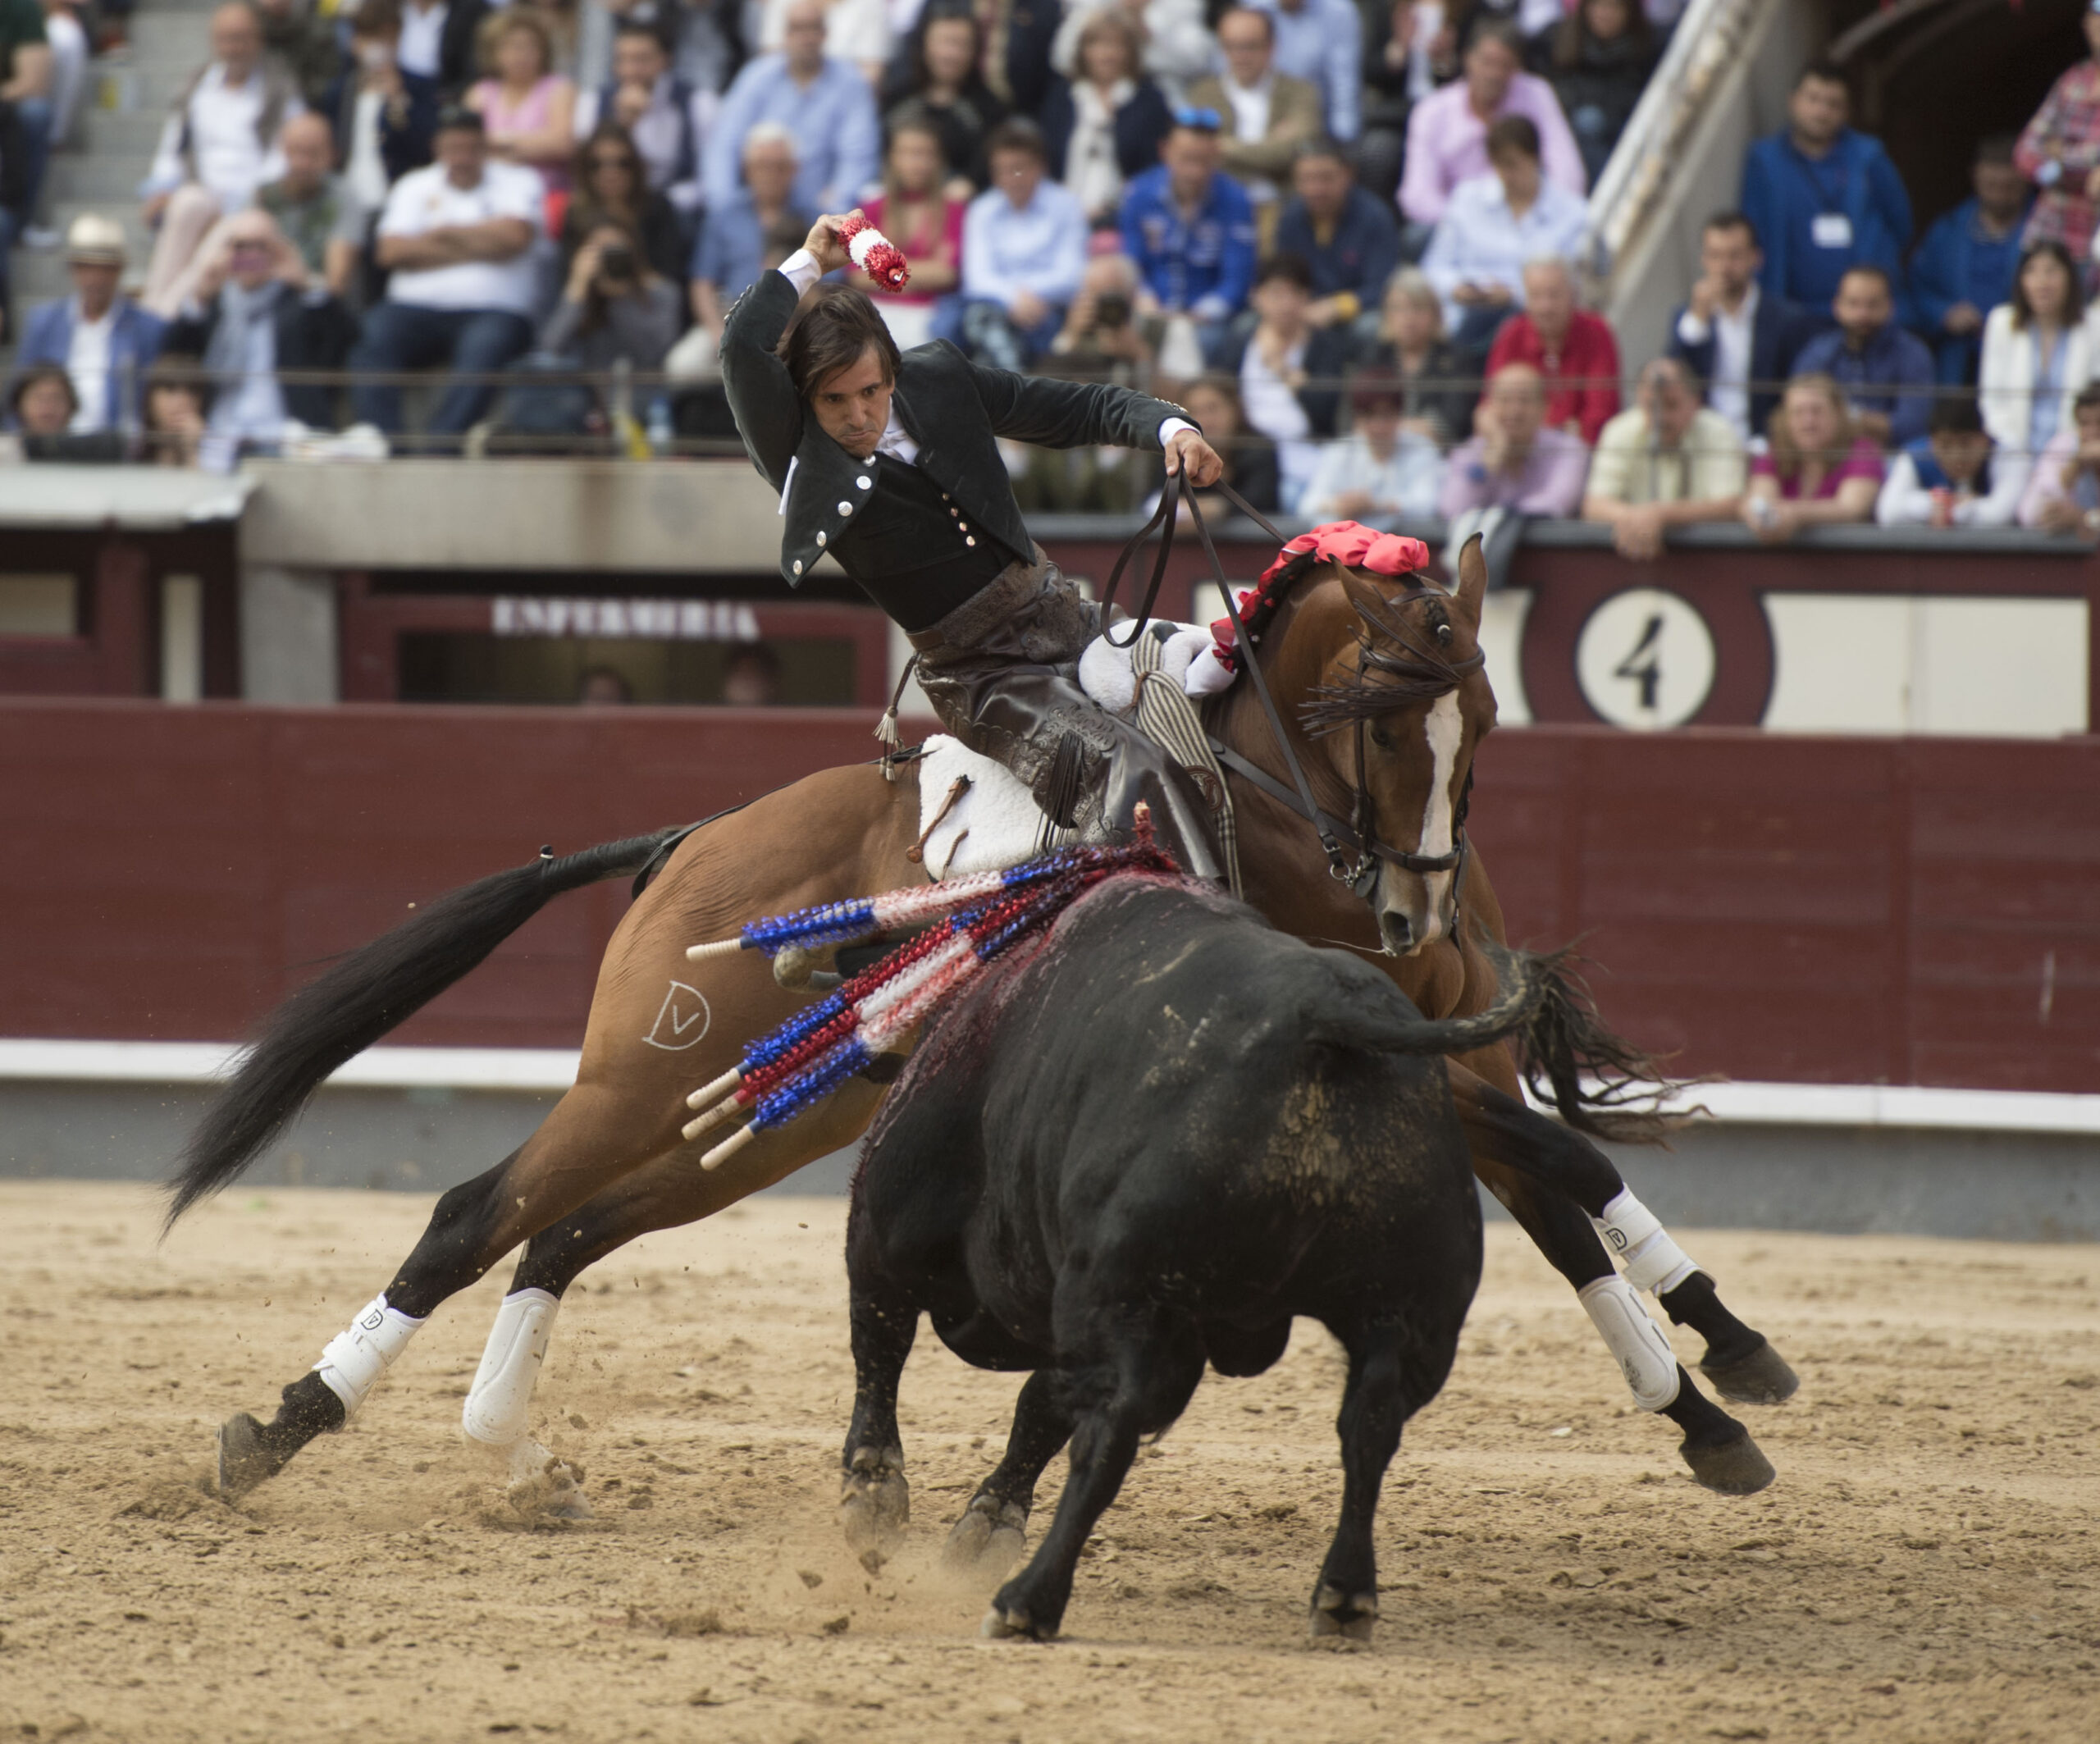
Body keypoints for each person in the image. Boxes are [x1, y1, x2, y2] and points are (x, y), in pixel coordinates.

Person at [718, 212, 1230, 880]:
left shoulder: (939, 378)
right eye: (833, 399)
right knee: (1124, 767)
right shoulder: (796, 452)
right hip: (983, 677)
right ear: (806, 401)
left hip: (1070, 619)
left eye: (870, 392)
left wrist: (1169, 429)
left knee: (1227, 677)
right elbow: (739, 351)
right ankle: (1202, 920)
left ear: (893, 375)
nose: (857, 416)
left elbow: (1071, 408)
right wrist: (810, 261)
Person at [348, 106, 541, 444]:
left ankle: (441, 447)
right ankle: (384, 444)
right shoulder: (414, 184)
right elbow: (391, 252)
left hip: (494, 311)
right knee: (374, 336)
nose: (462, 159)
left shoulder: (519, 180)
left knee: (485, 346)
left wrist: (441, 234)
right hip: (413, 309)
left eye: (471, 149)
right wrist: (483, 241)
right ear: (438, 147)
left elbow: (515, 239)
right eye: (454, 149)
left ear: (485, 147)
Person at [139, 2, 304, 317]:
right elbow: (174, 147)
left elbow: (284, 157)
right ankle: (155, 299)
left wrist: (238, 205)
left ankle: (162, 313)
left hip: (254, 203)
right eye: (226, 38)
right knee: (185, 202)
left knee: (230, 229)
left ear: (259, 40)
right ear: (214, 41)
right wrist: (159, 191)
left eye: (242, 38)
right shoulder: (197, 86)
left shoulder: (280, 88)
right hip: (202, 193)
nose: (234, 47)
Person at [164, 208, 358, 458]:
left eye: (260, 247)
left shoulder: (299, 304)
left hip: (284, 435)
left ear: (278, 251)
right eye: (241, 247)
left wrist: (306, 285)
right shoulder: (215, 306)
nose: (250, 255)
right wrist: (200, 296)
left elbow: (345, 339)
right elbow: (172, 354)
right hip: (220, 433)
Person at [1739, 60, 1911, 310]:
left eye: (1833, 104)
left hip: (1861, 313)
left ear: (1846, 112)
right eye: (1813, 99)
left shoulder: (1868, 157)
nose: (1821, 112)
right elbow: (1751, 233)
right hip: (1790, 312)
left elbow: (1901, 224)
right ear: (1793, 101)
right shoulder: (1765, 161)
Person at [1418, 113, 1586, 352]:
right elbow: (1434, 268)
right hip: (1467, 315)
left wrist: (1515, 294)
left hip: (1534, 322)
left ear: (1535, 158)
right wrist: (1459, 288)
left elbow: (1574, 285)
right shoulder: (1466, 199)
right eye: (1498, 164)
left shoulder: (1572, 212)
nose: (1505, 175)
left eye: (1513, 164)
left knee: (1509, 324)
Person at [1399, 22, 1583, 235]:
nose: (1494, 74)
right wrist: (1472, 223)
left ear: (1517, 67)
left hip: (1526, 218)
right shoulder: (1431, 111)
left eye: (1504, 65)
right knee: (1418, 235)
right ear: (1467, 58)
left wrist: (1540, 214)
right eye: (1487, 62)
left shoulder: (1537, 94)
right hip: (1458, 224)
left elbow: (1567, 169)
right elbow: (1416, 194)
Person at [706, 0, 879, 217]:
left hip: (821, 214)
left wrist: (834, 209)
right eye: (798, 29)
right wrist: (726, 206)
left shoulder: (851, 83)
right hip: (758, 211)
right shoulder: (757, 77)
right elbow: (724, 145)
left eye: (813, 28)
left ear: (825, 34)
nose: (806, 38)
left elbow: (858, 157)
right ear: (785, 35)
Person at [1213, 252, 1350, 504]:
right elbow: (1220, 397)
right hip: (1248, 458)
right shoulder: (1238, 343)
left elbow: (1326, 412)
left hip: (1306, 460)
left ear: (1307, 298)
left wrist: (1285, 372)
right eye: (1276, 294)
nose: (1286, 304)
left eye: (1295, 294)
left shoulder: (1326, 346)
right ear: (1257, 297)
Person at [1665, 210, 1815, 442]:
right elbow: (1673, 384)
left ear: (1756, 258)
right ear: (1703, 260)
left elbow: (1798, 386)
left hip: (1765, 444)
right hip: (1702, 444)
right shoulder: (1687, 318)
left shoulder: (1787, 319)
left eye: (1734, 256)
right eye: (1715, 256)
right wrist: (1696, 324)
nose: (1724, 267)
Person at [954, 118, 1089, 371]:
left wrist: (1026, 296)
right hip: (995, 304)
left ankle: (1005, 384)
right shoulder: (982, 209)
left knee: (984, 326)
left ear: (1040, 167)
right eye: (1001, 170)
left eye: (1019, 168)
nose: (1011, 178)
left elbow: (1072, 275)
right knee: (967, 319)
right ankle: (1015, 381)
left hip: (1048, 307)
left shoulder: (1066, 205)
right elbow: (976, 277)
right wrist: (1013, 298)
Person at [1119, 112, 1258, 355]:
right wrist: (1146, 301)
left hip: (1208, 318)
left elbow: (1237, 278)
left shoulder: (1236, 200)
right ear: (1165, 151)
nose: (1194, 172)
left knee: (1213, 340)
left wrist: (1199, 315)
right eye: (1186, 160)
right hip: (1150, 309)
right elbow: (1131, 260)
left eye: (1203, 161)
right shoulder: (1137, 194)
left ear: (1216, 155)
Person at [1581, 357, 1746, 559]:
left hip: (1710, 563)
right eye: (1651, 406)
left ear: (1695, 403)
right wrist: (1642, 519)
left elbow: (1731, 506)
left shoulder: (1719, 432)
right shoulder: (1619, 430)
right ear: (1639, 400)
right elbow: (1595, 505)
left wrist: (1661, 515)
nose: (1661, 418)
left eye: (1671, 405)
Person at [15, 213, 167, 432]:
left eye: (106, 269)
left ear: (119, 271)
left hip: (117, 449)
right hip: (50, 445)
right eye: (85, 267)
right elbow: (21, 391)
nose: (95, 278)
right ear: (73, 270)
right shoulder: (44, 321)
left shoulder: (148, 328)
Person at [1905, 137, 2031, 386]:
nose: (1999, 194)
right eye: (1991, 185)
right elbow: (1914, 286)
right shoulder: (1948, 230)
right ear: (1975, 176)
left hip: (2022, 356)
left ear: (2025, 180)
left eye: (2008, 187)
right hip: (1958, 358)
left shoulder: (2042, 231)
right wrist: (1943, 313)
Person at [1185, 7, 1323, 226]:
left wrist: (1224, 145)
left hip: (1283, 207)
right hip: (1219, 208)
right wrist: (1270, 144)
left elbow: (1294, 151)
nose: (1240, 56)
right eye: (1231, 47)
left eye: (1250, 46)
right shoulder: (1203, 94)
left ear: (1271, 47)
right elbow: (1196, 153)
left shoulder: (1300, 93)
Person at [574, 23, 714, 231]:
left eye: (641, 60)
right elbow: (586, 171)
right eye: (623, 60)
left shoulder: (699, 104)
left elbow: (708, 177)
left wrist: (663, 204)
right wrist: (622, 125)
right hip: (611, 207)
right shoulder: (592, 103)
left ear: (665, 60)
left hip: (676, 209)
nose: (630, 70)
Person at [1039, 10, 1173, 227]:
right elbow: (1046, 159)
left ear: (1131, 52)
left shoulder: (1149, 101)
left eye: (1116, 45)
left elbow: (1154, 168)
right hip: (1063, 213)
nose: (1106, 55)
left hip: (1124, 217)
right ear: (1083, 51)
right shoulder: (1063, 98)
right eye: (1097, 45)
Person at [1790, 264, 1935, 449]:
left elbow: (1912, 426)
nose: (1862, 314)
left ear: (1890, 306)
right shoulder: (1817, 351)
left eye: (1872, 304)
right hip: (1828, 456)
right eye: (1853, 303)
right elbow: (1798, 416)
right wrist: (1874, 423)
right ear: (1837, 306)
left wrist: (1846, 418)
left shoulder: (1913, 353)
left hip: (1892, 457)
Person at [1482, 254, 1620, 443]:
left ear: (1573, 294)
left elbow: (1601, 411)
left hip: (1581, 449)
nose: (1545, 306)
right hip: (1519, 452)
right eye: (1536, 296)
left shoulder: (1596, 331)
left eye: (1554, 295)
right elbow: (1490, 406)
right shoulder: (1511, 334)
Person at [1978, 239, 2090, 471]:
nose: (2042, 282)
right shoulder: (2001, 322)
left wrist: (2067, 451)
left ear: (2070, 277)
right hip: (2013, 452)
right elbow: (1991, 401)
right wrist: (2014, 448)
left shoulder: (2094, 327)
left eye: (2052, 271)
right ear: (2021, 280)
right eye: (2032, 271)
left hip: (2075, 457)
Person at [1271, 137, 1401, 329]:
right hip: (1303, 311)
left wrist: (1337, 307)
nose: (1316, 189)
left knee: (1369, 327)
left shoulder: (1374, 216)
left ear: (1348, 175)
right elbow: (1285, 275)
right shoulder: (1290, 217)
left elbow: (1381, 285)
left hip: (1356, 312)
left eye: (1326, 178)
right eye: (1307, 179)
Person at [861, 116, 965, 350]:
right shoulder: (871, 207)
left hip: (932, 316)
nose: (916, 163)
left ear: (939, 159)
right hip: (875, 313)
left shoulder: (954, 209)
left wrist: (882, 269)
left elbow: (946, 273)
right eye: (907, 153)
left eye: (924, 153)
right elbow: (855, 274)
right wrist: (924, 271)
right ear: (892, 158)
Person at [1741, 371, 1883, 541]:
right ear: (1785, 419)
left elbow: (1852, 508)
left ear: (1838, 413)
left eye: (1817, 411)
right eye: (1798, 412)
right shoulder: (1774, 452)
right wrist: (1756, 516)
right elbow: (1758, 501)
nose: (1808, 422)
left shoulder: (1862, 451)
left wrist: (1793, 514)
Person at [883, 6, 1008, 190]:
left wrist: (970, 184)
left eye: (961, 44)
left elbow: (991, 165)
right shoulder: (897, 99)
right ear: (924, 43)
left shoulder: (990, 109)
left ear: (975, 50)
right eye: (943, 42)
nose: (951, 54)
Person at [1438, 360, 1586, 516]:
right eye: (1505, 400)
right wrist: (1493, 453)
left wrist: (1502, 517)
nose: (1515, 411)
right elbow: (1452, 508)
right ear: (1488, 406)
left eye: (1525, 400)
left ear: (1545, 408)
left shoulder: (1568, 449)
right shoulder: (1469, 452)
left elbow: (1558, 503)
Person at [1533, 0, 1655, 186]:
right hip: (1567, 133)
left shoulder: (1647, 48)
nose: (1605, 14)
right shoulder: (1556, 39)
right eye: (1599, 6)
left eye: (1615, 7)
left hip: (1619, 134)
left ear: (1629, 13)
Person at [2014, 4, 2100, 267]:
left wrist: (2063, 152)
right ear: (2086, 23)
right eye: (2096, 18)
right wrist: (2055, 171)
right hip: (2055, 235)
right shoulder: (2072, 81)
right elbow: (2025, 152)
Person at [1354, 266, 1475, 447]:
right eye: (1399, 309)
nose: (1408, 318)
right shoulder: (1373, 357)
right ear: (1387, 314)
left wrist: (1383, 428)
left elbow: (1451, 425)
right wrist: (1416, 427)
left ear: (1436, 314)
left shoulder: (1456, 359)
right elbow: (1353, 422)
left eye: (1418, 308)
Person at [335, 0, 439, 208]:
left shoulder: (419, 88)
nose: (379, 47)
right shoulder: (339, 92)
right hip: (350, 201)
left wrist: (398, 100)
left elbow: (425, 148)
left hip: (398, 199)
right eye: (370, 38)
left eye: (387, 39)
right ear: (355, 42)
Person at [1300, 372, 1443, 521]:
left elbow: (1427, 506)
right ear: (1357, 417)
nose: (1378, 426)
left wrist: (1375, 506)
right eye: (1369, 415)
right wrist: (1338, 504)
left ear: (1400, 414)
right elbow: (1308, 506)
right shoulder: (1340, 451)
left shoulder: (1421, 450)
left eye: (1387, 414)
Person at [562, 122, 687, 288]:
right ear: (586, 170)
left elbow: (673, 288)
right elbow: (563, 291)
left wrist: (631, 260)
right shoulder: (576, 216)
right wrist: (580, 279)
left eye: (622, 163)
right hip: (593, 310)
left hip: (647, 306)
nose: (610, 173)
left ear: (635, 167)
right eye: (596, 164)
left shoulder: (657, 210)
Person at [466, 8, 576, 195]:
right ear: (494, 53)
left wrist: (499, 141)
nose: (520, 55)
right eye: (511, 46)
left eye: (529, 46)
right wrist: (532, 145)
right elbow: (468, 144)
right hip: (490, 192)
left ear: (543, 51)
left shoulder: (559, 89)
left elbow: (562, 143)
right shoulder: (481, 92)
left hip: (546, 192)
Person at [256, 112, 363, 301]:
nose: (302, 163)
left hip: (316, 305)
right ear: (283, 150)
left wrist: (296, 275)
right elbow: (238, 262)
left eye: (312, 153)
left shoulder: (343, 197)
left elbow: (336, 281)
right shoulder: (263, 195)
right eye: (295, 151)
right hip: (264, 296)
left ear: (332, 155)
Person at [1874, 395, 2023, 529]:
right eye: (1945, 445)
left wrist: (1948, 510)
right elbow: (1889, 513)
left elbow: (1999, 516)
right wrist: (1936, 504)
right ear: (1931, 443)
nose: (1956, 455)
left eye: (1966, 443)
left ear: (1984, 438)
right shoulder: (1914, 455)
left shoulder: (2009, 454)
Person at [1244, 0, 1363, 144]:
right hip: (1258, 117)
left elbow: (1343, 84)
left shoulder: (1338, 11)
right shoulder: (1253, 8)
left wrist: (1342, 142)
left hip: (1317, 124)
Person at [1048, 0, 1213, 98]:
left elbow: (1198, 62)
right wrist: (1098, 26)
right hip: (1095, 98)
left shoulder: (1183, 5)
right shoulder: (1092, 6)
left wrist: (1144, 32)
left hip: (1163, 97)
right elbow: (1061, 59)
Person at [0, 0, 53, 240]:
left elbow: (33, 82)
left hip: (7, 107)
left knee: (35, 112)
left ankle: (19, 221)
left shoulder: (19, 8)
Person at [2017, 380, 2100, 533]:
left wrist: (2084, 519)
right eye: (2084, 424)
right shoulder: (2064, 445)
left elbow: (2082, 519)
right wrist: (2074, 468)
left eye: (2099, 424)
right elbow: (2029, 513)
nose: (2092, 433)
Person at [394, 0, 491, 106]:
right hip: (403, 90)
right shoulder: (397, 9)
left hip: (446, 96)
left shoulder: (470, 10)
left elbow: (476, 67)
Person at [252, 0, 341, 113]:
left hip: (305, 105)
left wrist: (300, 97)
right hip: (258, 102)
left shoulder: (317, 28)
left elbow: (327, 77)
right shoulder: (251, 23)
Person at [140, 354, 213, 467]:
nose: (183, 401)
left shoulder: (215, 448)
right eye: (170, 389)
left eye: (192, 391)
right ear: (150, 399)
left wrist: (192, 451)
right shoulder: (131, 446)